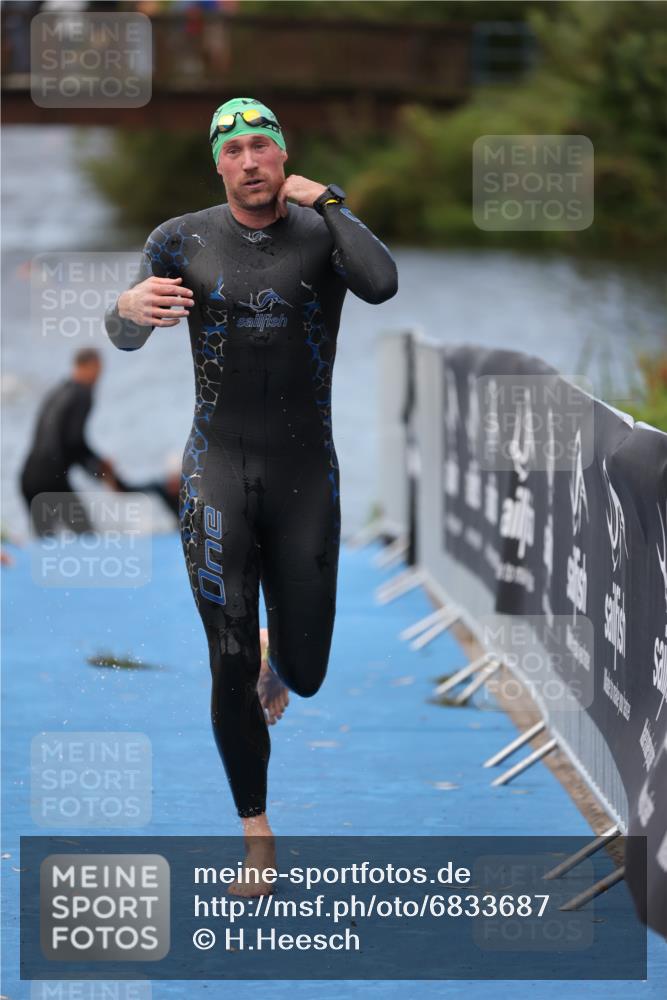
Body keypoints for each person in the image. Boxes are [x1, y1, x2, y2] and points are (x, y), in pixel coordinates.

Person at [104, 96, 398, 894]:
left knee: (304, 670)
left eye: (260, 146)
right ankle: (256, 831)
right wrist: (123, 309)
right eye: (232, 152)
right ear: (217, 165)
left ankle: (280, 658)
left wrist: (329, 202)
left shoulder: (322, 233)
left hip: (306, 479)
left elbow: (381, 284)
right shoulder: (178, 240)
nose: (248, 162)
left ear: (282, 154)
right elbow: (125, 335)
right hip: (217, 474)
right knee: (227, 655)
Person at [20, 348, 118, 535]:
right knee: (87, 537)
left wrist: (97, 468)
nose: (99, 377)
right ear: (90, 366)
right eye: (99, 370)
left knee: (46, 543)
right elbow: (73, 442)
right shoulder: (82, 394)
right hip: (51, 482)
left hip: (29, 478)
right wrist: (99, 469)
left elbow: (53, 439)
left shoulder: (58, 391)